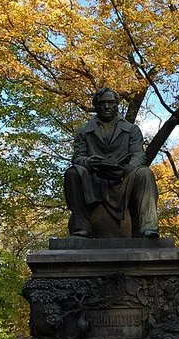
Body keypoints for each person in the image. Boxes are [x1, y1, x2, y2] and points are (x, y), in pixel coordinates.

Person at [63, 88, 159, 239]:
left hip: (123, 180)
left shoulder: (131, 129)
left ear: (116, 105)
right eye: (102, 103)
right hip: (94, 180)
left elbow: (139, 155)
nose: (107, 106)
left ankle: (147, 227)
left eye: (111, 103)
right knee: (72, 172)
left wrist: (126, 169)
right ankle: (81, 227)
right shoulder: (84, 130)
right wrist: (88, 162)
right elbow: (78, 157)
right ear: (96, 105)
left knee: (144, 173)